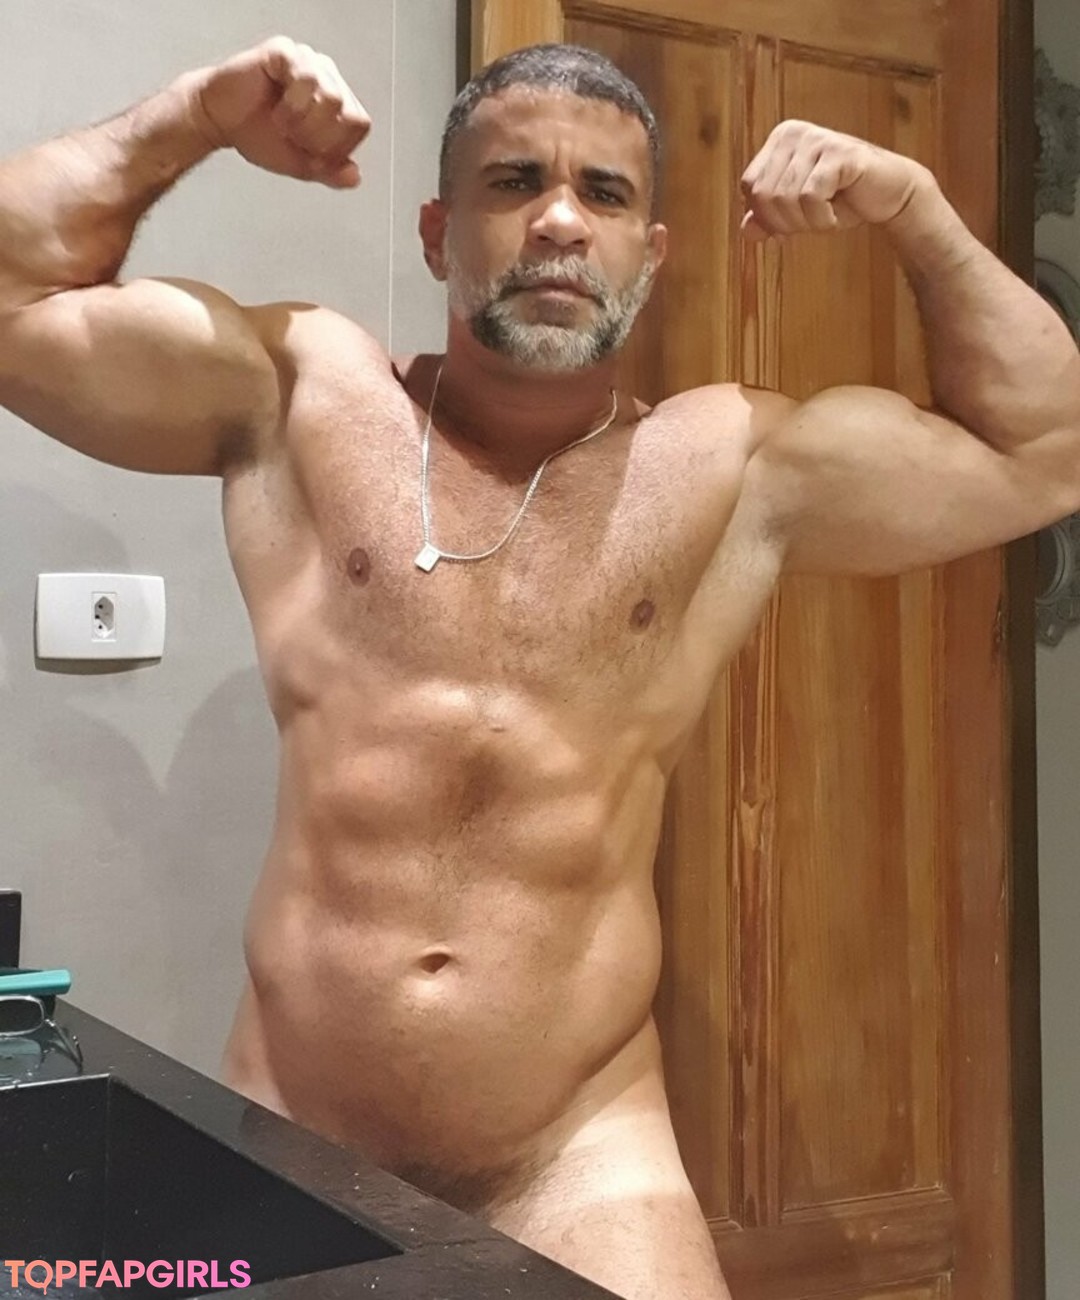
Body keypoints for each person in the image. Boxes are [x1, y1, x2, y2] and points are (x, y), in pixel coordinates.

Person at [0, 35, 1077, 1300]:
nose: (560, 220)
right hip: (293, 1130)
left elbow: (1045, 453)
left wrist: (915, 206)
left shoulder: (729, 468)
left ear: (649, 256)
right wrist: (189, 112)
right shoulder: (299, 397)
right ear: (437, 232)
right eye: (514, 182)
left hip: (579, 1161)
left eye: (603, 193)